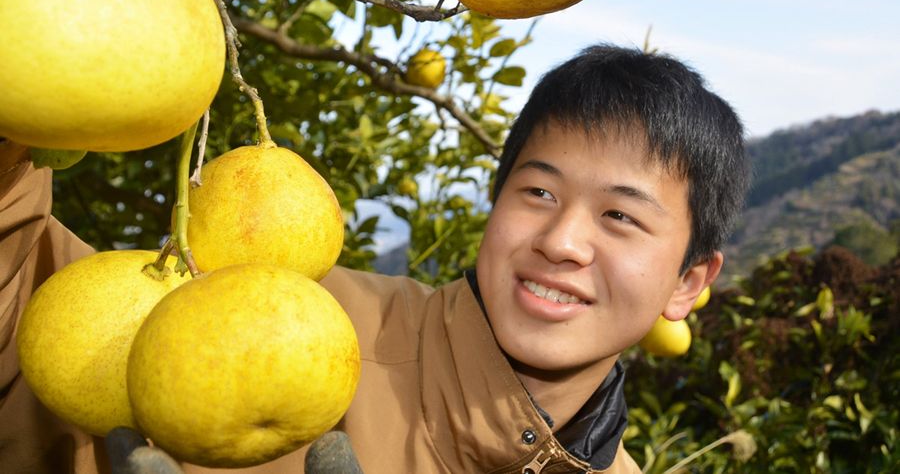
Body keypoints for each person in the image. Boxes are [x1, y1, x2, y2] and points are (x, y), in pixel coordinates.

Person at [0, 43, 749, 473]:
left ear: (688, 282)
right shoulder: (281, 315)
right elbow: (21, 284)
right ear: (495, 205)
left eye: (619, 216)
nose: (561, 242)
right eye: (539, 193)